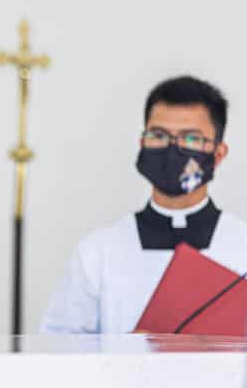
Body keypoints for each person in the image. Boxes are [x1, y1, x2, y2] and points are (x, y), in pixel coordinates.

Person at [41, 76, 247, 334]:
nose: (173, 149)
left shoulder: (242, 246)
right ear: (142, 143)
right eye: (159, 135)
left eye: (191, 139)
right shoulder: (97, 252)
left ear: (218, 154)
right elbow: (60, 350)